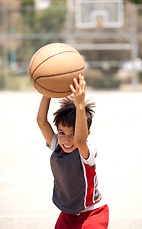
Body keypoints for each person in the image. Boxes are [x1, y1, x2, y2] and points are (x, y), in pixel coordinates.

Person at [37, 74, 109, 229]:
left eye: (73, 134)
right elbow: (41, 121)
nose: (66, 140)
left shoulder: (86, 152)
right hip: (69, 212)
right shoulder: (57, 144)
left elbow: (81, 140)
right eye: (62, 133)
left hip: (93, 211)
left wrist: (80, 105)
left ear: (85, 133)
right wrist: (47, 92)